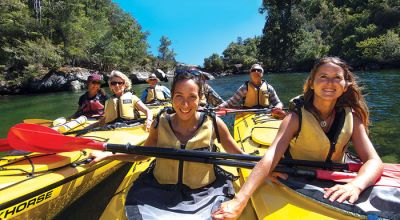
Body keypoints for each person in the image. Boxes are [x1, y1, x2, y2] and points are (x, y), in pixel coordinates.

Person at [212, 57, 383, 219]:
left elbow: (373, 160)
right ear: (311, 84)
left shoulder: (352, 117)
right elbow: (270, 157)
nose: (330, 82)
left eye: (337, 77)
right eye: (323, 76)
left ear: (345, 85)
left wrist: (356, 185)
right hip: (295, 176)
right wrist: (239, 200)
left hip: (334, 176)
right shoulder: (295, 117)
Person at [89, 71, 245, 219]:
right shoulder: (160, 123)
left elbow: (239, 156)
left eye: (192, 97)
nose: (185, 104)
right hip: (159, 192)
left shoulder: (214, 123)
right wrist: (108, 155)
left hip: (205, 194)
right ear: (171, 97)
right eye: (179, 96)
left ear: (200, 97)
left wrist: (267, 170)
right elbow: (141, 154)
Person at [88, 70, 153, 131]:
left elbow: (147, 111)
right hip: (111, 129)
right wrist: (91, 126)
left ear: (125, 84)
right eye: (113, 83)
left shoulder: (132, 97)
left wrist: (149, 121)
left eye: (120, 83)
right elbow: (105, 119)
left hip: (130, 127)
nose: (117, 85)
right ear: (110, 85)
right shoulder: (108, 101)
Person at [218, 63, 283, 110]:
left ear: (262, 74)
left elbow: (278, 102)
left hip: (266, 114)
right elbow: (231, 102)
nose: (256, 72)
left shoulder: (269, 88)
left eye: (259, 70)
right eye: (253, 70)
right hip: (248, 113)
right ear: (250, 74)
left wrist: (279, 106)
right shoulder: (244, 88)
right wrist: (219, 107)